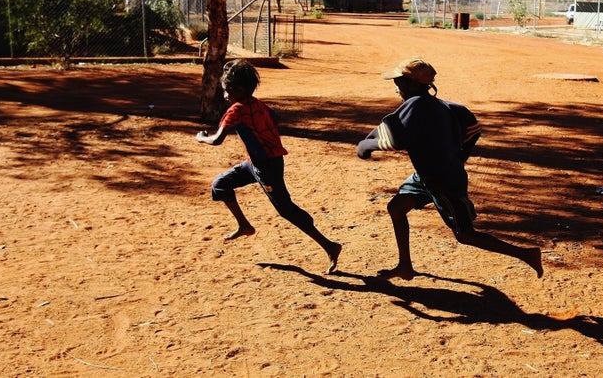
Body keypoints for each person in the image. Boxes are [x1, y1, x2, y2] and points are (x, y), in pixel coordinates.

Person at [357, 58, 543, 280]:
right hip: (427, 176)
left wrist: (365, 146)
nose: (396, 87)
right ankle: (405, 266)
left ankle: (526, 254)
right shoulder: (446, 106)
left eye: (399, 81)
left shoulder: (416, 105)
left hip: (444, 181)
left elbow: (394, 137)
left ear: (412, 83)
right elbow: (473, 129)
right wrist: (457, 156)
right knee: (396, 208)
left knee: (465, 235)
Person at [196, 59, 341, 274]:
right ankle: (244, 226)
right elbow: (276, 118)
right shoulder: (258, 104)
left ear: (240, 89)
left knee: (286, 210)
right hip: (259, 163)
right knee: (220, 184)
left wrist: (201, 138)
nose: (225, 95)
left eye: (227, 91)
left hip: (266, 167)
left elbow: (217, 139)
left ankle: (329, 245)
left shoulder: (236, 110)